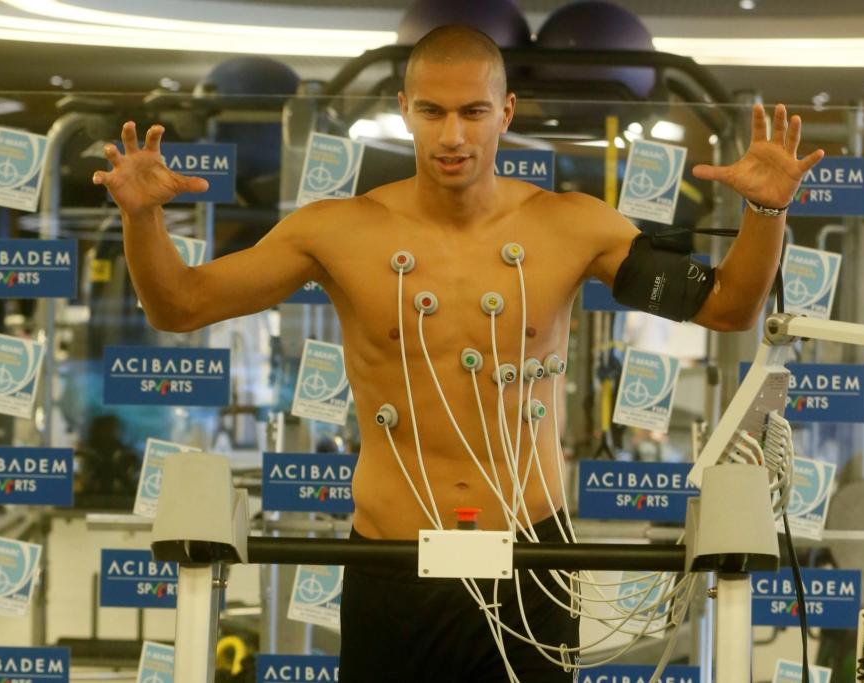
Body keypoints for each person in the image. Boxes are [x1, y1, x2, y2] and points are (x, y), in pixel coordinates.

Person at [94, 25, 824, 683]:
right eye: (433, 111)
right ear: (405, 107)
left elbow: (728, 308)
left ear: (505, 114)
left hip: (531, 558)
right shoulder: (340, 229)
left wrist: (766, 211)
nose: (452, 134)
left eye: (473, 112)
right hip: (392, 560)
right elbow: (180, 303)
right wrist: (142, 220)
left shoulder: (569, 225)